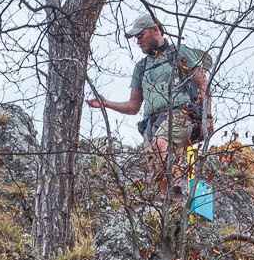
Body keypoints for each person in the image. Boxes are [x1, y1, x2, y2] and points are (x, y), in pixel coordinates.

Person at [87, 14, 210, 183]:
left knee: (160, 145)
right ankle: (172, 202)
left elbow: (203, 83)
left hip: (179, 114)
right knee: (157, 171)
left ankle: (177, 187)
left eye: (140, 36)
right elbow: (133, 106)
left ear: (155, 30)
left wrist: (207, 117)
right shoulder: (141, 67)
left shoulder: (178, 52)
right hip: (151, 124)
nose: (138, 42)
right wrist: (106, 103)